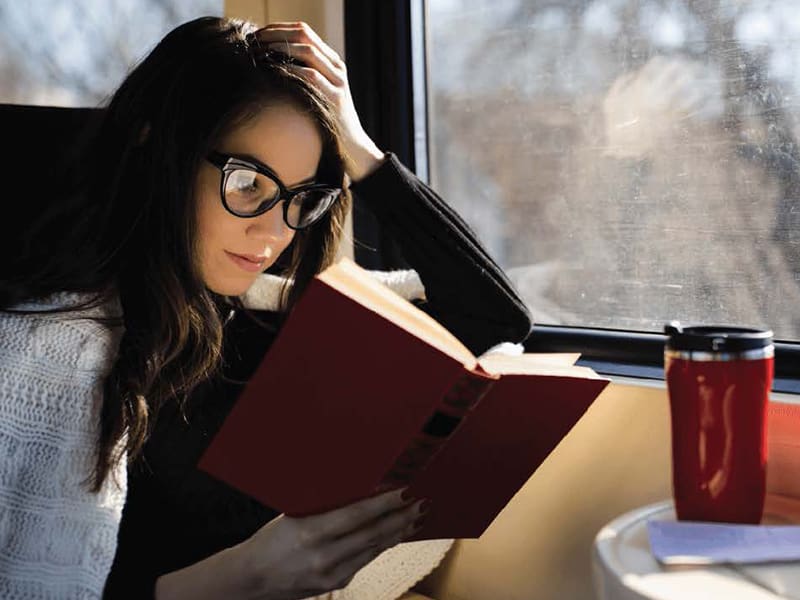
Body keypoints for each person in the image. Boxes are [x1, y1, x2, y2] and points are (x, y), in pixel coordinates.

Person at [0, 16, 532, 600]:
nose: (274, 233)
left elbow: (495, 320)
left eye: (301, 198)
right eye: (248, 185)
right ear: (160, 156)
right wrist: (243, 577)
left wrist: (363, 154)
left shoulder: (256, 318)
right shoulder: (49, 354)